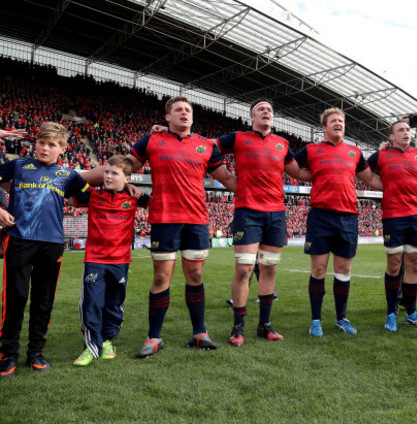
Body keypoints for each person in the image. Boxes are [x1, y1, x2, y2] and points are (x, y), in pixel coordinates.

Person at [81, 95, 236, 358]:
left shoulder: (205, 146)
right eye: (178, 110)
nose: (184, 113)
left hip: (197, 220)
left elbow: (228, 179)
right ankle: (154, 337)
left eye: (188, 110)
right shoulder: (153, 140)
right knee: (161, 277)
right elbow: (120, 167)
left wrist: (261, 186)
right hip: (164, 218)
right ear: (167, 117)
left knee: (196, 277)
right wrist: (72, 178)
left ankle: (199, 332)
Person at [215, 99, 309, 347]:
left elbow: (298, 172)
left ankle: (264, 325)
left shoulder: (283, 144)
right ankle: (238, 328)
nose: (266, 112)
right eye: (261, 110)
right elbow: (206, 148)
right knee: (245, 269)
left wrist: (335, 171)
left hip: (276, 214)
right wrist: (227, 179)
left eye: (270, 110)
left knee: (268, 269)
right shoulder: (238, 138)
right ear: (252, 117)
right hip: (248, 213)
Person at [0, 122, 90, 379]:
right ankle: (8, 355)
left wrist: (128, 190)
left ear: (62, 149)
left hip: (51, 244)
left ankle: (36, 352)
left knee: (43, 300)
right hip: (19, 239)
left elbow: (93, 198)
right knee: (15, 298)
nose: (44, 148)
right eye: (41, 142)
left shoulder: (69, 175)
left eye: (51, 144)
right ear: (35, 143)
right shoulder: (18, 166)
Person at [294, 108, 383, 336]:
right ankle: (316, 320)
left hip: (347, 217)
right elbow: (291, 167)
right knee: (319, 269)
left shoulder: (354, 152)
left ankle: (341, 319)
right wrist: (311, 174)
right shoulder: (311, 150)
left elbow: (370, 178)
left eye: (341, 120)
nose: (338, 123)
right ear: (324, 127)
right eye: (333, 120)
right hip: (321, 217)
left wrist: (398, 184)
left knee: (344, 270)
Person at [71, 155, 151, 366]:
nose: (108, 176)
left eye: (114, 173)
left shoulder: (135, 197)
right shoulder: (92, 195)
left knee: (115, 305)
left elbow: (159, 203)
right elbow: (66, 195)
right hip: (95, 260)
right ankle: (92, 346)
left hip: (121, 261)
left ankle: (107, 340)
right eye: (106, 171)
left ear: (127, 178)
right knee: (92, 304)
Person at [367, 120, 417, 331]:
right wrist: (382, 185)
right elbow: (362, 171)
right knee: (394, 265)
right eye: (401, 130)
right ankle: (391, 314)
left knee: (413, 264)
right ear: (391, 136)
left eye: (408, 130)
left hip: (416, 217)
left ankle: (412, 313)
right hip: (393, 217)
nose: (406, 132)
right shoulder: (381, 155)